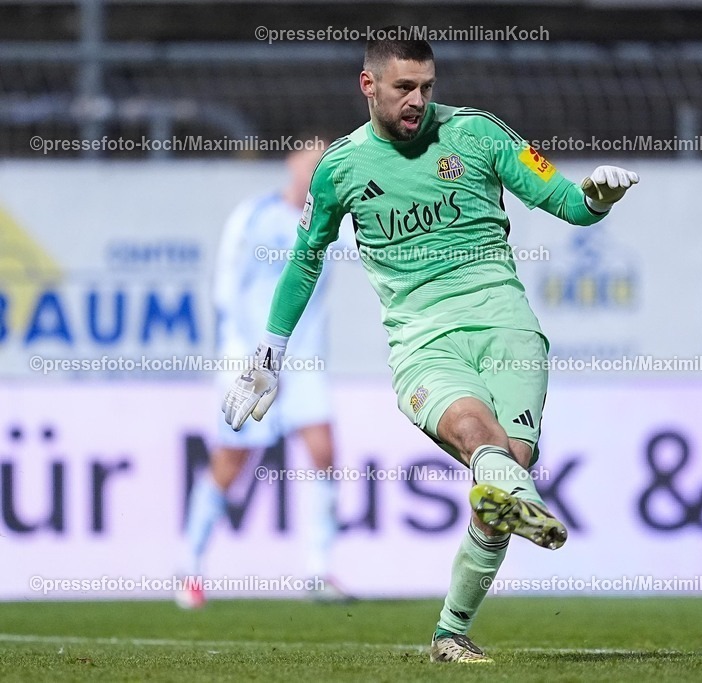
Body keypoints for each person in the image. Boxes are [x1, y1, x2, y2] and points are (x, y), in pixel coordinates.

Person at [222, 31, 638, 660]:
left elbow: (567, 203)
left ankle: (452, 630)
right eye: (403, 88)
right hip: (423, 341)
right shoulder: (341, 168)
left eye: (426, 87)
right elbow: (306, 260)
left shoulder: (480, 135)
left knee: (504, 471)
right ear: (369, 86)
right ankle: (516, 505)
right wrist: (272, 350)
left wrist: (596, 200)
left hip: (509, 331)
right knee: (484, 444)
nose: (417, 100)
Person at [178, 137, 350, 609]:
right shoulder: (253, 216)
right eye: (308, 162)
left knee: (323, 450)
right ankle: (189, 566)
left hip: (306, 357)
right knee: (232, 461)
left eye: (323, 165)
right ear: (291, 165)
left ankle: (318, 570)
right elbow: (225, 288)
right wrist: (241, 357)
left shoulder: (334, 223)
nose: (314, 171)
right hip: (252, 358)